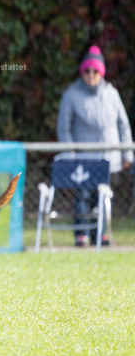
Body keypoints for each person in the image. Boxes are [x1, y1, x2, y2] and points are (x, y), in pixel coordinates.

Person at [56, 45, 133, 246]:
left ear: (101, 72)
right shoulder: (71, 95)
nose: (91, 75)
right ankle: (81, 234)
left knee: (103, 198)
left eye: (95, 71)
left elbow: (123, 125)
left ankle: (100, 235)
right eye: (87, 71)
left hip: (109, 159)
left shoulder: (111, 94)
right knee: (83, 197)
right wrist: (69, 154)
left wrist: (127, 155)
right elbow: (64, 129)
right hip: (83, 158)